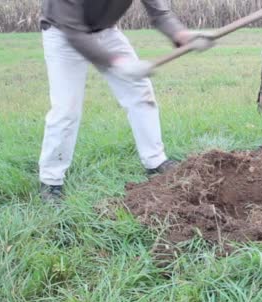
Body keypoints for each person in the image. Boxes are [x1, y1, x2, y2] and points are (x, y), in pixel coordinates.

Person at [38, 0, 213, 202]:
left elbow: (159, 13)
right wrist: (117, 63)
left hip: (106, 32)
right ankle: (51, 180)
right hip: (63, 34)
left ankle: (155, 161)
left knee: (141, 93)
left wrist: (184, 36)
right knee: (66, 109)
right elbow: (74, 33)